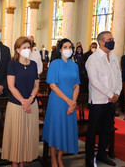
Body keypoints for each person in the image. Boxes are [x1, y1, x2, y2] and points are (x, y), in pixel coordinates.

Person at [85, 31, 122, 167]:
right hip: (98, 100)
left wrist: (117, 92)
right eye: (108, 39)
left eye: (112, 38)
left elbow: (118, 77)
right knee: (93, 130)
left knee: (107, 128)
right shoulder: (93, 59)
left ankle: (102, 153)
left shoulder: (114, 57)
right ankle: (89, 158)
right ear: (101, 41)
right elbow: (95, 81)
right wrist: (109, 94)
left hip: (111, 100)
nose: (112, 41)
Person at [1, 36, 39, 167]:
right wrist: (23, 101)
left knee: (27, 136)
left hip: (31, 105)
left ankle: (22, 163)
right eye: (24, 48)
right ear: (17, 50)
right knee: (16, 136)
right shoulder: (12, 64)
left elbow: (36, 85)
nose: (27, 50)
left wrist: (30, 99)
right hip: (16, 105)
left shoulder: (33, 64)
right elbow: (11, 86)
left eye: (29, 48)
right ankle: (14, 163)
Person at [42, 38, 80, 167]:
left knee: (65, 130)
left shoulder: (74, 65)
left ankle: (60, 158)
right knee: (56, 130)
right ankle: (53, 158)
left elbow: (77, 85)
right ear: (60, 49)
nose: (68, 49)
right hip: (58, 102)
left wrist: (73, 102)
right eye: (65, 47)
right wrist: (69, 101)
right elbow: (52, 85)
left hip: (71, 102)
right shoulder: (54, 63)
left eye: (70, 47)